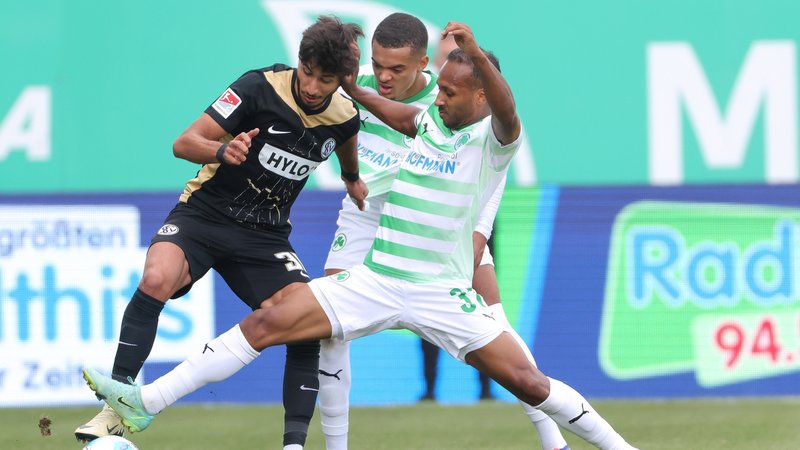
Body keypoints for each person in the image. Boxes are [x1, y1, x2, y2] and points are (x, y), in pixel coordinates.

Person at [82, 22, 638, 450]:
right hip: (376, 278)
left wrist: (476, 51)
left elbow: (508, 108)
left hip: (440, 291)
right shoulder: (428, 121)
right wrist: (350, 86)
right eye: (437, 89)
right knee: (270, 321)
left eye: (448, 92)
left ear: (481, 98)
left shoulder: (496, 142)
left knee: (528, 380)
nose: (436, 99)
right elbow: (387, 112)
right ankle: (146, 402)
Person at [74, 16, 367, 450]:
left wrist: (352, 178)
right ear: (299, 62)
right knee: (156, 277)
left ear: (339, 80)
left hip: (264, 237)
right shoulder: (257, 87)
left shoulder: (345, 117)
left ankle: (293, 445)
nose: (312, 86)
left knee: (308, 325)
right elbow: (184, 141)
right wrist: (221, 149)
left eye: (325, 80)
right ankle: (116, 406)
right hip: (205, 215)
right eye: (307, 73)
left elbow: (346, 149)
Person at [315, 13, 569, 450]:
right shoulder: (355, 87)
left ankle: (552, 439)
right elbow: (324, 117)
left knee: (497, 325)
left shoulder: (453, 94)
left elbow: (494, 173)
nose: (384, 76)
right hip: (368, 214)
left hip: (445, 221)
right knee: (326, 326)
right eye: (378, 66)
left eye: (397, 69)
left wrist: (479, 235)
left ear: (423, 63)